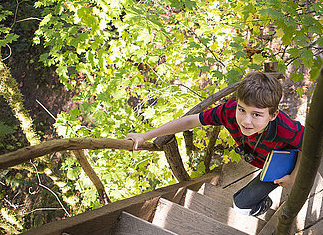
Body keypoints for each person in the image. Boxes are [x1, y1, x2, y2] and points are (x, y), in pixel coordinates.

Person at [125, 71, 304, 217]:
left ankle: (260, 204)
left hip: (281, 166)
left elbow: (310, 147)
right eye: (242, 110)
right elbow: (190, 121)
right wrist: (146, 135)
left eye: (256, 114)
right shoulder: (228, 112)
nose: (246, 121)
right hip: (261, 160)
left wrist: (294, 176)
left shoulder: (286, 129)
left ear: (272, 115)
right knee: (244, 202)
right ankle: (263, 202)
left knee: (240, 205)